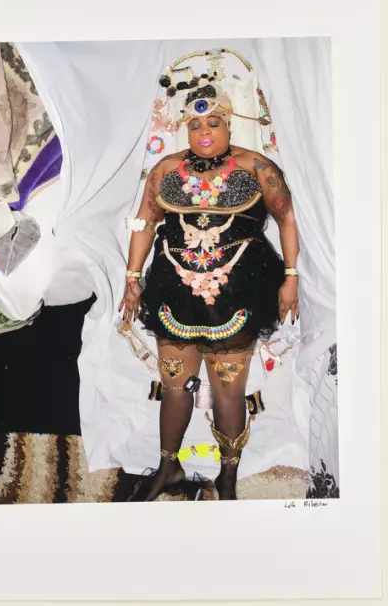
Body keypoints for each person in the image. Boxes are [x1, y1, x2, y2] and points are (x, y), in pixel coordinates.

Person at [119, 63, 300, 501]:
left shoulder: (258, 167)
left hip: (239, 293)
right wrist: (132, 277)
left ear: (229, 122)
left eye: (213, 122)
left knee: (228, 392)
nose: (203, 132)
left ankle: (228, 477)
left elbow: (287, 218)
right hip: (173, 292)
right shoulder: (165, 170)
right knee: (175, 385)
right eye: (195, 124)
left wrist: (291, 277)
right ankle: (168, 468)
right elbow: (144, 222)